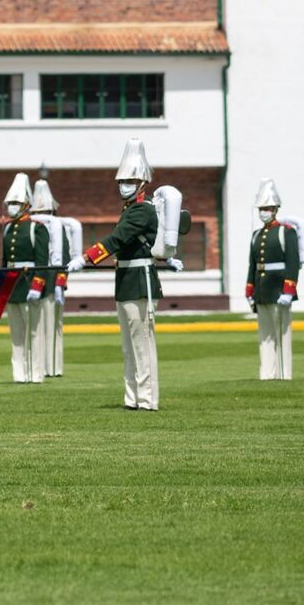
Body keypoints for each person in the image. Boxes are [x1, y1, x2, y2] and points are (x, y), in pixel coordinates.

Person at [82, 139, 177, 411]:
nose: (124, 184)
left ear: (142, 183)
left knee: (142, 346)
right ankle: (132, 397)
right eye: (122, 180)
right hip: (125, 281)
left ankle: (147, 399)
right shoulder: (129, 209)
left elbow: (118, 239)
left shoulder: (142, 210)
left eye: (130, 180)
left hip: (140, 283)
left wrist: (86, 258)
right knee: (128, 347)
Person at [246, 178, 300, 381]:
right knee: (265, 336)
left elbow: (292, 262)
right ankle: (267, 374)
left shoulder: (286, 232)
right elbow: (253, 265)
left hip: (278, 290)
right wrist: (250, 291)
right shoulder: (256, 234)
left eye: (267, 208)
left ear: (275, 209)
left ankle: (284, 374)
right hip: (262, 290)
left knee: (281, 335)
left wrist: (288, 290)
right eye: (261, 208)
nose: (264, 212)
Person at [0, 173, 50, 385]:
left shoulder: (36, 228)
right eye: (10, 202)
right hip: (12, 286)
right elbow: (5, 261)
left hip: (29, 283)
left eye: (16, 202)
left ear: (26, 204)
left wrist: (37, 286)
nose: (12, 206)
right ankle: (19, 374)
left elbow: (42, 261)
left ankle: (35, 374)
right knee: (17, 335)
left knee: (35, 333)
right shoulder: (8, 228)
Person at [31, 179, 72, 379]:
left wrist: (59, 283)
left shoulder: (41, 224)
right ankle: (50, 367)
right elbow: (64, 254)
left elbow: (62, 256)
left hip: (40, 279)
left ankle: (44, 366)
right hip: (47, 277)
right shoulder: (52, 224)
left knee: (41, 326)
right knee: (50, 326)